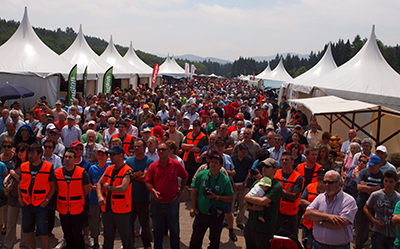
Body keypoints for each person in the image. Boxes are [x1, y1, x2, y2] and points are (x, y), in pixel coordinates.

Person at [145, 142, 188, 249]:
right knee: (158, 229)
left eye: (163, 149)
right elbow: (148, 182)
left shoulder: (176, 164)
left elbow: (185, 176)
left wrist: (181, 190)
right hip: (157, 203)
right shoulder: (153, 166)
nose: (161, 152)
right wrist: (153, 191)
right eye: (159, 150)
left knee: (174, 229)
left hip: (172, 202)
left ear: (168, 151)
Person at [188, 149, 234, 249]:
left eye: (216, 162)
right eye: (212, 161)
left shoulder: (224, 180)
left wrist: (216, 197)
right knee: (195, 240)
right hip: (201, 214)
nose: (213, 164)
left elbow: (231, 198)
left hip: (216, 216)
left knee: (214, 241)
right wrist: (192, 207)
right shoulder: (201, 175)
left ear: (221, 165)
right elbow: (194, 191)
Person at [304, 170, 358, 249]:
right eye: (325, 182)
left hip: (339, 247)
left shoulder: (348, 201)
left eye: (330, 182)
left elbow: (338, 224)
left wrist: (318, 219)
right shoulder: (320, 197)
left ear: (339, 184)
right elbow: (308, 213)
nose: (326, 185)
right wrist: (329, 217)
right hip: (318, 245)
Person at [18, 143, 56, 249]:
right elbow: (20, 184)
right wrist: (20, 198)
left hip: (41, 205)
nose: (30, 155)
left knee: (43, 231)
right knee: (28, 230)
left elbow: (53, 186)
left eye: (33, 153)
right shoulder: (24, 166)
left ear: (39, 154)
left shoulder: (48, 167)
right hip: (26, 204)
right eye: (29, 153)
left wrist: (46, 200)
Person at [96, 145, 134, 249]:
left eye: (113, 154)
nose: (110, 157)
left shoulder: (128, 171)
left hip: (121, 210)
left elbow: (123, 188)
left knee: (126, 238)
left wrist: (109, 188)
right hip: (107, 210)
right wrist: (100, 196)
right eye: (109, 154)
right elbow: (99, 184)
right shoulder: (109, 169)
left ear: (121, 155)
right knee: (107, 238)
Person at [55, 149, 90, 249]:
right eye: (65, 157)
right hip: (63, 208)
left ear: (75, 159)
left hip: (77, 208)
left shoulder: (81, 172)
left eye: (70, 157)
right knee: (67, 232)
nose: (67, 159)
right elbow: (56, 187)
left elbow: (86, 189)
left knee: (78, 233)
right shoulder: (57, 172)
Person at [244, 158, 283, 249]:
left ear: (274, 170)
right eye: (263, 166)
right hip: (251, 225)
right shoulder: (258, 182)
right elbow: (245, 201)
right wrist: (253, 208)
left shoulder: (276, 186)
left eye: (267, 166)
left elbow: (263, 201)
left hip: (264, 229)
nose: (264, 168)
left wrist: (249, 198)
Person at [125, 138, 154, 249]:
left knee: (144, 224)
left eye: (139, 146)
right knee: (129, 224)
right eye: (135, 146)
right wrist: (137, 174)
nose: (136, 148)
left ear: (144, 148)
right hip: (130, 198)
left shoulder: (149, 161)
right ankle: (129, 244)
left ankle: (147, 244)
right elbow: (126, 177)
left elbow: (145, 178)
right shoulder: (129, 161)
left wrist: (133, 175)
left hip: (143, 198)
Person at [364, 170, 400, 249]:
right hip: (378, 231)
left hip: (393, 233)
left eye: (391, 182)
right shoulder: (376, 195)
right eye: (386, 181)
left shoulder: (398, 197)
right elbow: (366, 208)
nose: (388, 184)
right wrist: (373, 220)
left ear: (395, 182)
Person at [3, 143, 29, 249]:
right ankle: (8, 245)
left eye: (22, 150)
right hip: (12, 197)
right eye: (18, 150)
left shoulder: (29, 164)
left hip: (23, 197)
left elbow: (26, 182)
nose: (19, 152)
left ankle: (24, 245)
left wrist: (14, 174)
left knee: (24, 223)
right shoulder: (16, 163)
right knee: (10, 223)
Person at [355, 155, 384, 249]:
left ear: (379, 166)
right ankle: (358, 246)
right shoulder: (364, 172)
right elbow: (359, 187)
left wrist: (367, 188)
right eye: (370, 165)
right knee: (360, 229)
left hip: (375, 207)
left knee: (375, 228)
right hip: (362, 204)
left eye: (373, 166)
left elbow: (382, 191)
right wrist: (374, 189)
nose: (371, 167)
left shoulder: (382, 176)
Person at [274, 151, 304, 238]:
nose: (284, 161)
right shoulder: (276, 173)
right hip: (276, 213)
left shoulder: (298, 177)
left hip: (290, 215)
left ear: (292, 162)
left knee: (290, 239)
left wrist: (279, 190)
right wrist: (287, 191)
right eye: (282, 160)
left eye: (286, 160)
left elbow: (294, 196)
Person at [87, 146, 109, 249]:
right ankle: (96, 243)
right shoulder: (92, 168)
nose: (100, 157)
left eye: (102, 155)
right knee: (94, 222)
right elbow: (89, 182)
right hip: (94, 200)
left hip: (106, 199)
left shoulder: (109, 168)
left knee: (107, 222)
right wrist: (93, 187)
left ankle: (107, 243)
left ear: (106, 156)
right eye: (99, 155)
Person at [300, 167, 326, 248]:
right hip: (308, 224)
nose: (320, 176)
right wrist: (313, 206)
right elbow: (301, 201)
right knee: (306, 245)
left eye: (322, 174)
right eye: (318, 174)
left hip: (322, 226)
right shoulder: (310, 186)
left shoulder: (330, 190)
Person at [231, 143, 253, 229]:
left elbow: (249, 172)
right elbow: (231, 172)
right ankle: (227, 220)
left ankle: (240, 221)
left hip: (244, 185)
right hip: (234, 184)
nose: (244, 154)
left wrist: (244, 183)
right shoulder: (232, 158)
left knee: (243, 205)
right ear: (238, 150)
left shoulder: (249, 159)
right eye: (243, 152)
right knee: (230, 204)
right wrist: (233, 184)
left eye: (246, 152)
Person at [182, 120, 207, 185]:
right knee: (187, 180)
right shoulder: (189, 134)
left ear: (199, 127)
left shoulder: (203, 136)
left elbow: (197, 149)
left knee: (194, 181)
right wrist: (192, 145)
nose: (194, 127)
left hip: (196, 163)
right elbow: (182, 146)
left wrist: (187, 147)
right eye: (193, 126)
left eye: (196, 126)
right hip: (187, 162)